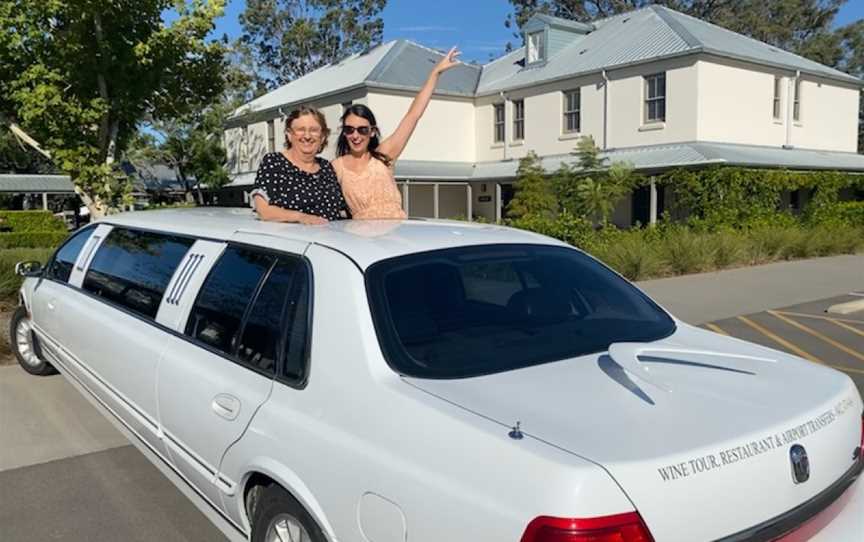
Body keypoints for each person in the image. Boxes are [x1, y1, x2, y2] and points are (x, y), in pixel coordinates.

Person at [332, 47, 461, 220]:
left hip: (397, 236)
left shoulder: (384, 155)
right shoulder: (336, 167)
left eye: (362, 129)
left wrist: (435, 73)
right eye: (349, 130)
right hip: (362, 241)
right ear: (344, 133)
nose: (356, 135)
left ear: (372, 132)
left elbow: (413, 115)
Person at [252, 107, 349, 224]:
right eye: (300, 130)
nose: (307, 136)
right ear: (289, 134)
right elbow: (263, 210)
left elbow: (341, 210)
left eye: (314, 130)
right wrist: (302, 217)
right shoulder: (274, 163)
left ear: (322, 136)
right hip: (291, 240)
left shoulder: (326, 168)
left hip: (329, 239)